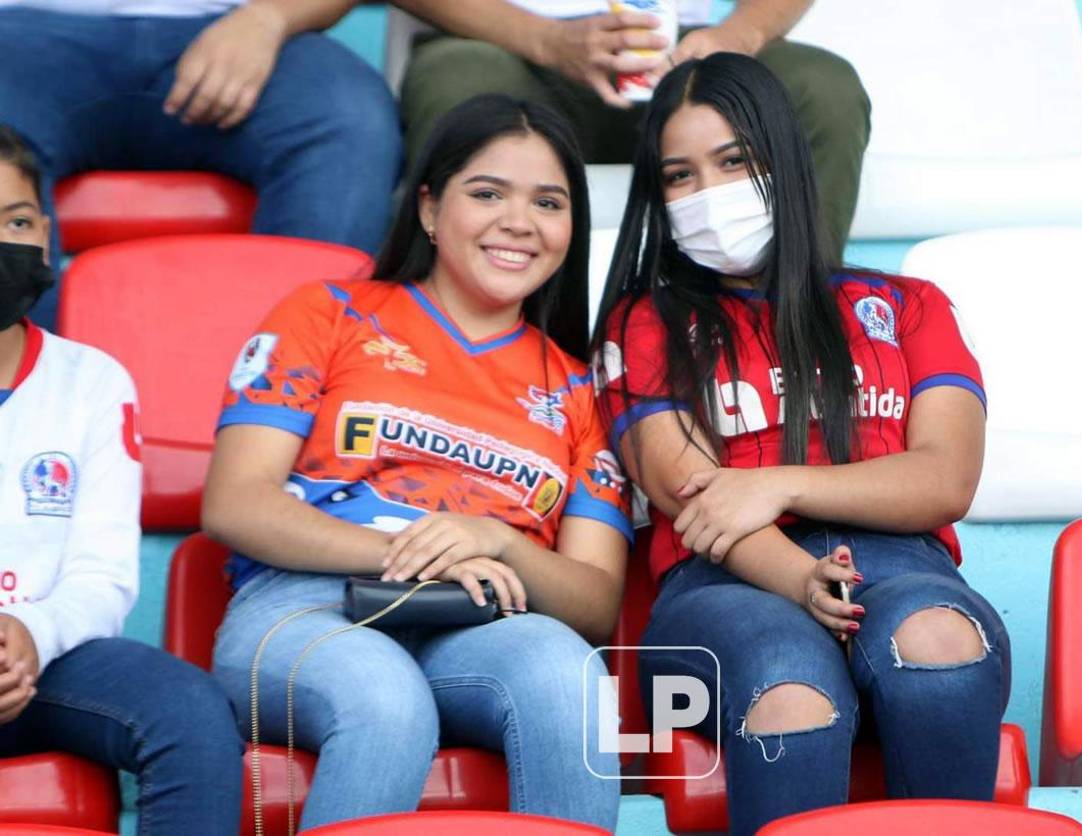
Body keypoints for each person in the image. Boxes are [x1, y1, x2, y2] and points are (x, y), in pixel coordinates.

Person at [591, 54, 1010, 835]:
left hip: (902, 568)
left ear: (782, 158)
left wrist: (781, 484)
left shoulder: (908, 305)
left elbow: (947, 478)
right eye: (679, 177)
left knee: (939, 641)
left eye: (734, 161)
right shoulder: (639, 324)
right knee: (790, 681)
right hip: (720, 591)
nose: (708, 195)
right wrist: (802, 579)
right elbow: (697, 499)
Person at [202, 94, 632, 830]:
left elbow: (593, 605)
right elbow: (235, 503)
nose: (519, 222)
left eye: (549, 202)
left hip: (481, 622)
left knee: (573, 684)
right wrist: (417, 554)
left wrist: (495, 541)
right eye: (488, 193)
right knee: (383, 696)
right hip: (304, 602)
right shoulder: (328, 313)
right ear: (430, 210)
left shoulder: (581, 390)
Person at [0, 126, 244, 834]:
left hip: (46, 660)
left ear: (46, 233)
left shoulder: (92, 381)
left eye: (16, 222)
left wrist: (27, 632)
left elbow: (103, 579)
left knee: (188, 713)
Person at [0, 0, 402, 328]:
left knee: (347, 122)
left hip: (246, 26)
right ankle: (21, 395)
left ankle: (289, 386)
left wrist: (271, 17)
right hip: (22, 35)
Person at [395, 0, 869, 260]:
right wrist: (545, 39)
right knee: (455, 80)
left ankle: (802, 321)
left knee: (821, 88)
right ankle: (447, 332)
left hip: (682, 44)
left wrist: (738, 37)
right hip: (505, 39)